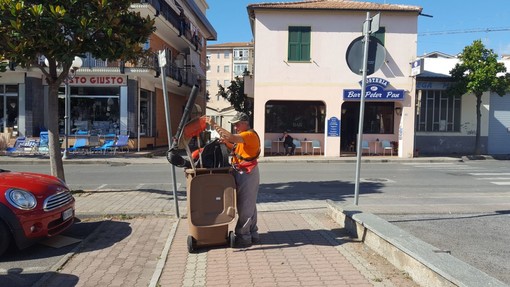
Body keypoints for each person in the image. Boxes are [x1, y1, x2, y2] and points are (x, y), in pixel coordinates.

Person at [205, 112, 261, 248]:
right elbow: (236, 147)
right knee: (249, 203)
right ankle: (252, 233)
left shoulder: (249, 135)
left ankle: (244, 236)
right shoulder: (244, 138)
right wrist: (226, 143)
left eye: (237, 124)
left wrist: (213, 124)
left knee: (245, 204)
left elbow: (231, 137)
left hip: (247, 171)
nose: (235, 127)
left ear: (244, 123)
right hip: (242, 169)